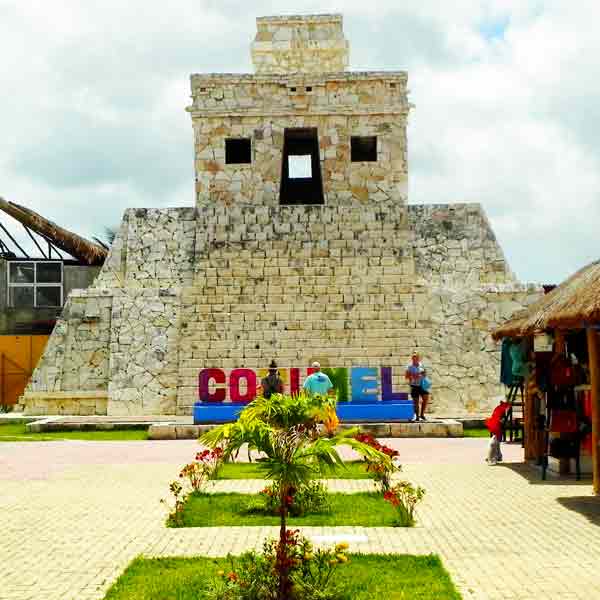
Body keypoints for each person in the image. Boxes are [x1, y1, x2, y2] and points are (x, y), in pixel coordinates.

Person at [405, 352, 426, 421]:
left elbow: (425, 373)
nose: (415, 358)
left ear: (418, 358)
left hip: (422, 385)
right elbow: (406, 376)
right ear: (412, 358)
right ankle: (417, 416)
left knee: (425, 399)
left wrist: (421, 375)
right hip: (414, 385)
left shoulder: (421, 365)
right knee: (416, 402)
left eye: (416, 357)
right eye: (413, 357)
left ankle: (422, 415)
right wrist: (414, 376)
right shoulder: (409, 366)